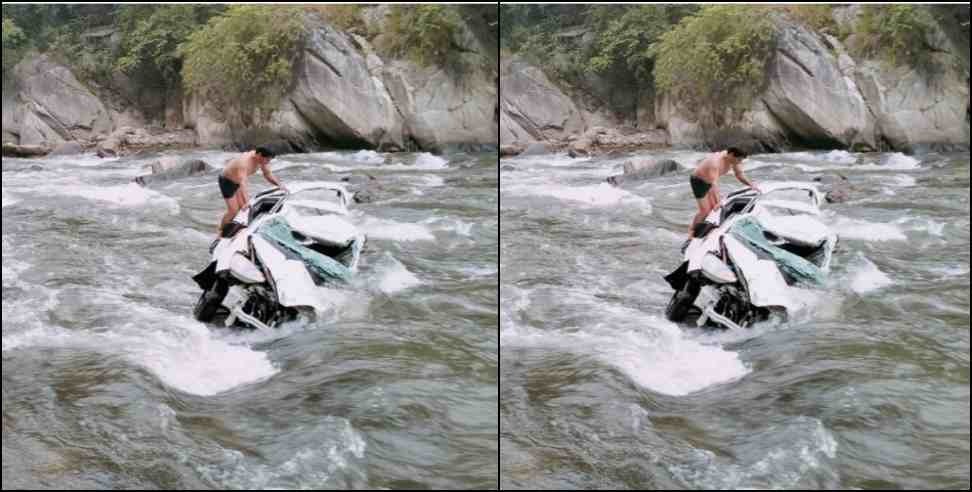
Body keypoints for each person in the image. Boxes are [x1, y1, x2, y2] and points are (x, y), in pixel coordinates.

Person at [687, 147, 759, 238]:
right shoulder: (715, 163)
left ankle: (704, 228)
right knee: (705, 210)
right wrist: (718, 202)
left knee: (713, 209)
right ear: (731, 155)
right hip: (698, 181)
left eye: (741, 160)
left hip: (709, 181)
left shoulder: (733, 159)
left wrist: (751, 185)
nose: (740, 162)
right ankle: (691, 231)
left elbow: (739, 174)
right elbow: (714, 184)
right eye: (739, 160)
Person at [218, 146, 287, 236]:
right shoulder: (243, 162)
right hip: (227, 181)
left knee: (242, 209)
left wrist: (280, 185)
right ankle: (221, 232)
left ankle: (234, 228)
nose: (268, 162)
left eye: (269, 160)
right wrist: (247, 202)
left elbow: (267, 174)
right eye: (267, 160)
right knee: (233, 211)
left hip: (238, 181)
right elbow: (243, 184)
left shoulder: (262, 159)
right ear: (259, 155)